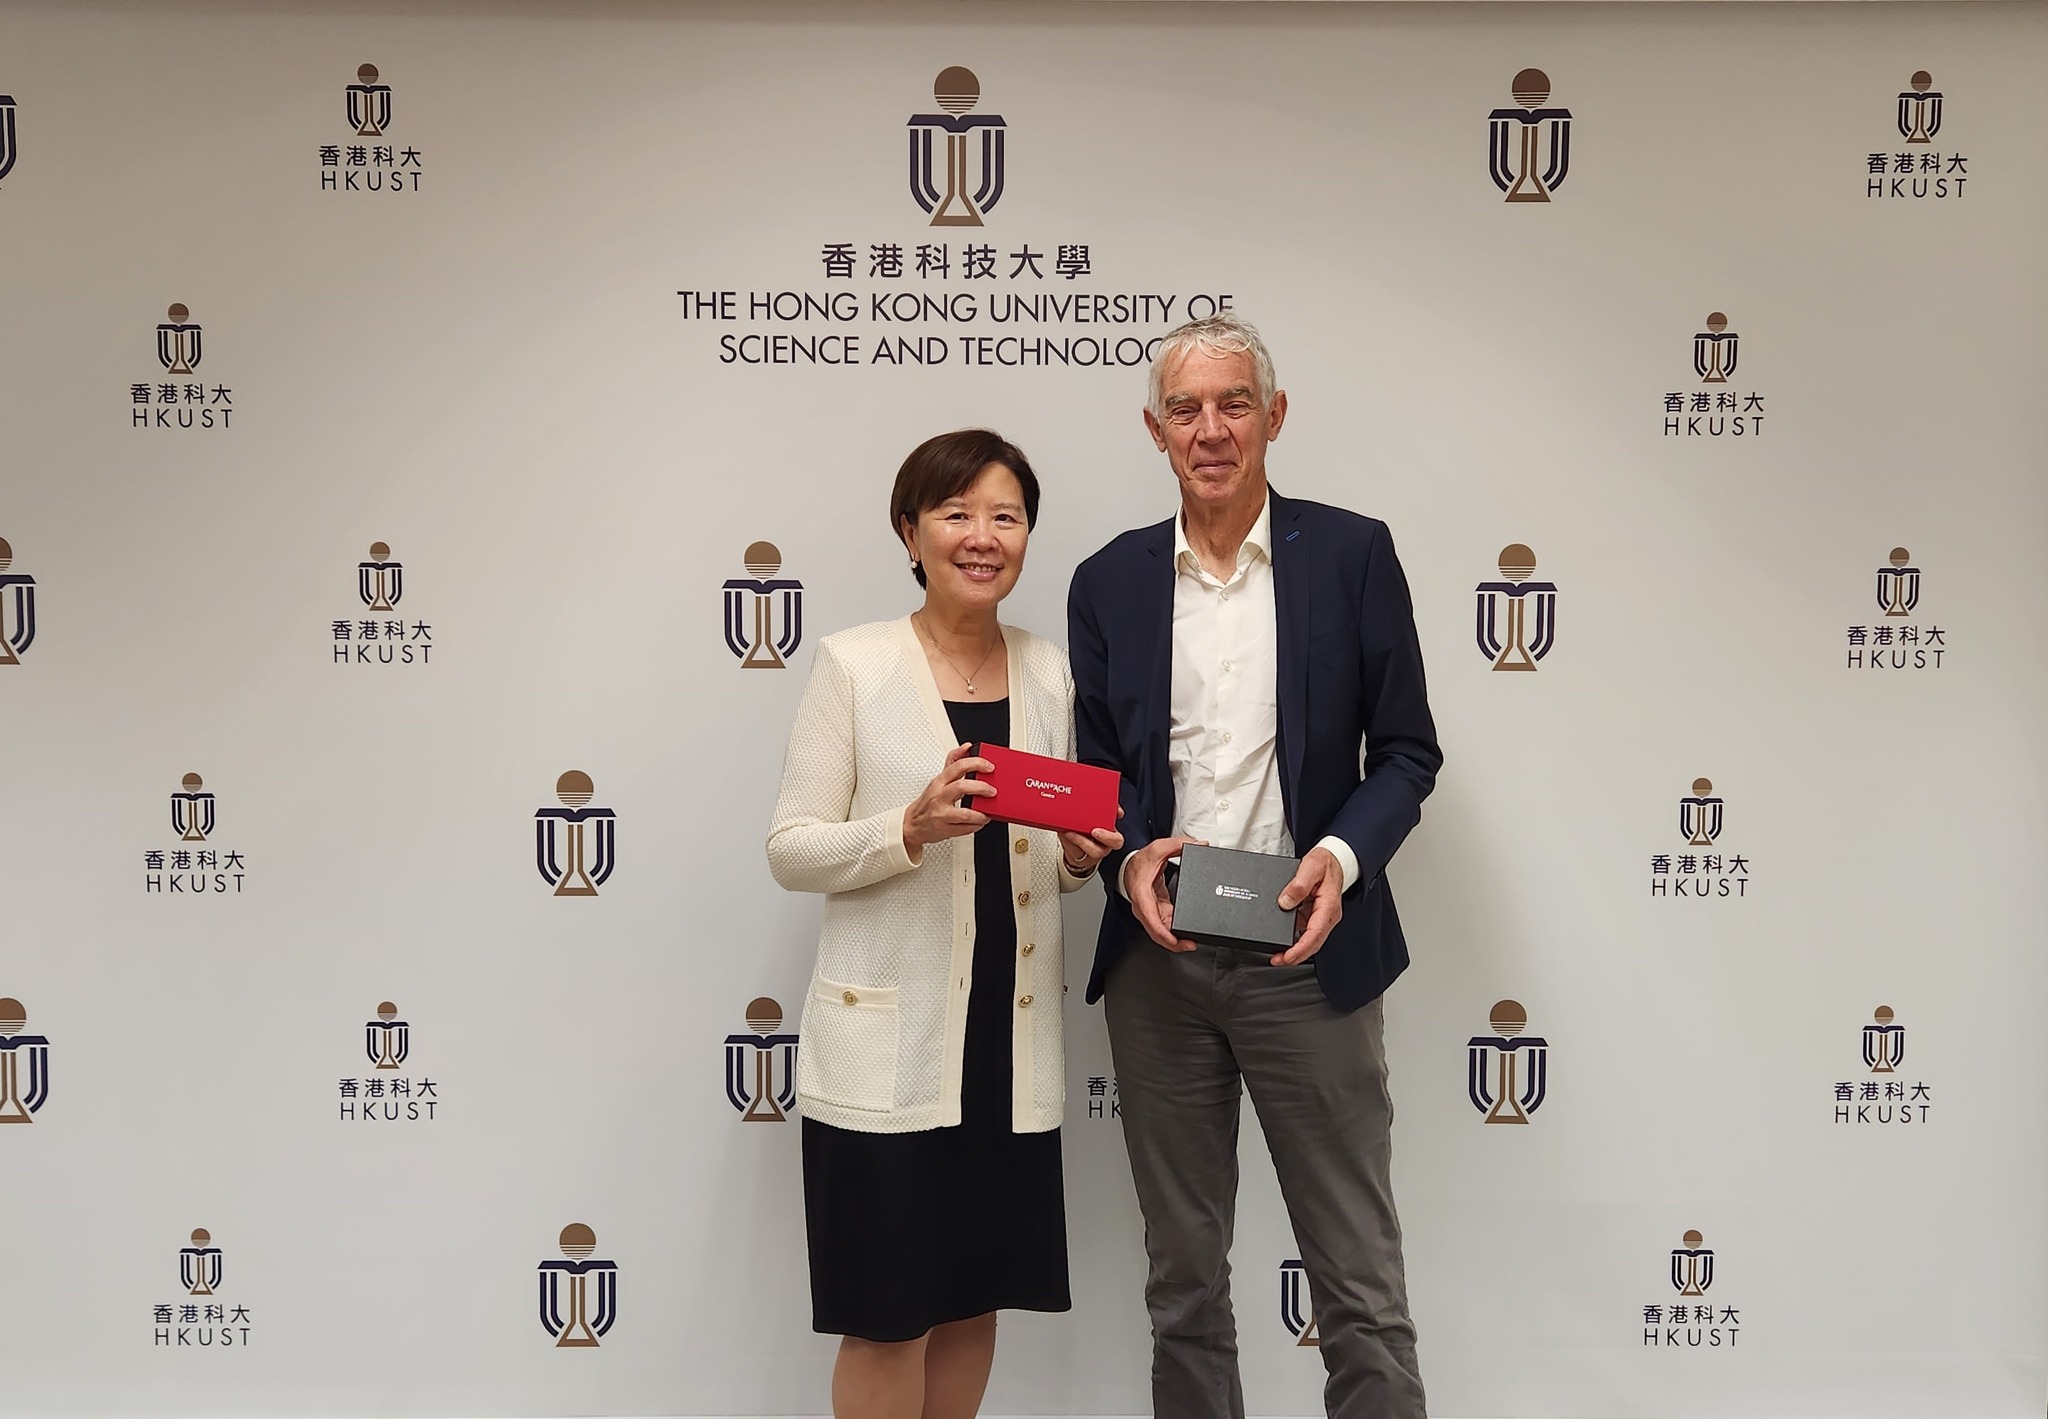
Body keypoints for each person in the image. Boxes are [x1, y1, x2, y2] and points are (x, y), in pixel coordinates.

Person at [1066, 314, 1442, 1419]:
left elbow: (1406, 752)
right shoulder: (1108, 581)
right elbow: (1099, 770)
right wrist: (1128, 857)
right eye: (1185, 409)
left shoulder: (1353, 554)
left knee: (1356, 1280)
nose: (1210, 429)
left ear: (1274, 416)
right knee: (1182, 1283)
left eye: (1234, 404)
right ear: (1155, 430)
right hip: (1160, 966)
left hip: (1307, 954)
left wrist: (1338, 857)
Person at [767, 429, 1123, 1419]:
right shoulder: (854, 664)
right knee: (886, 1315)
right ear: (909, 532)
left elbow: (1045, 863)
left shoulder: (1047, 672)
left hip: (1006, 1049)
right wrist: (907, 828)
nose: (982, 536)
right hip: (888, 1057)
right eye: (956, 513)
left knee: (972, 1298)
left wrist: (1077, 860)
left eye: (1005, 516)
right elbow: (791, 847)